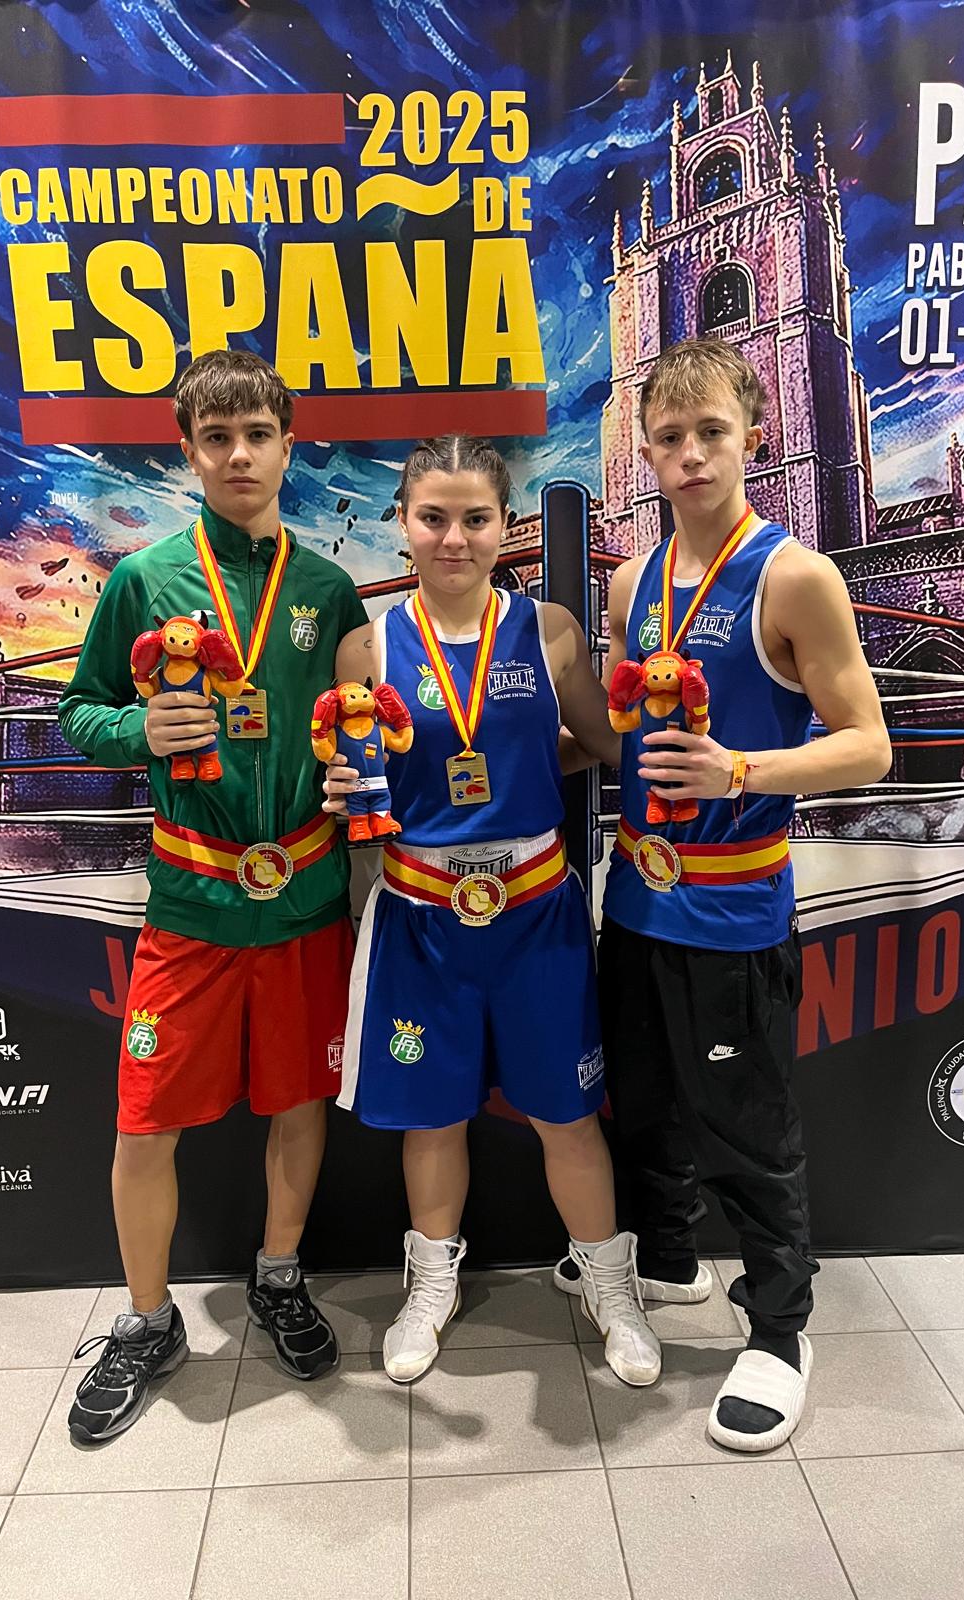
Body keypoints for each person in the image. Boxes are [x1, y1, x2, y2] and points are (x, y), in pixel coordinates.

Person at [561, 337, 891, 1452]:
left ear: (755, 435)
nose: (692, 454)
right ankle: (663, 1255)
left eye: (712, 432)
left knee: (748, 1127)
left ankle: (783, 1328)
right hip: (639, 900)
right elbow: (620, 741)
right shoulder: (629, 583)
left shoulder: (796, 574)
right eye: (670, 436)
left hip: (737, 908)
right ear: (644, 452)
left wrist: (741, 769)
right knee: (643, 1102)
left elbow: (868, 746)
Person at [59, 350, 367, 1442]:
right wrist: (138, 726)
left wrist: (357, 767)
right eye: (216, 439)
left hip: (304, 895)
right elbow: (78, 712)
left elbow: (365, 724)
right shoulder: (143, 580)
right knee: (144, 1121)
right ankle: (148, 1322)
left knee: (297, 1100)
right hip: (190, 901)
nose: (240, 456)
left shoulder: (327, 591)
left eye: (259, 436)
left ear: (290, 445)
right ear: (188, 452)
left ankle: (278, 1276)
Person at [325, 435, 660, 1388]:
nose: (455, 538)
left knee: (568, 1114)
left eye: (476, 518)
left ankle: (609, 1286)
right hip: (422, 916)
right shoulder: (369, 643)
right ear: (403, 524)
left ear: (505, 527)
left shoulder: (550, 629)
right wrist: (339, 781)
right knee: (433, 1120)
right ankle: (430, 1286)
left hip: (534, 909)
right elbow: (354, 775)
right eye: (434, 517)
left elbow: (601, 745)